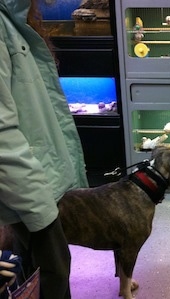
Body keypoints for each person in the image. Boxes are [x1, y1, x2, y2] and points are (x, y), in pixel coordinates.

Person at [0, 0, 88, 298]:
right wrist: (41, 210)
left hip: (36, 191)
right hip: (28, 198)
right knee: (47, 277)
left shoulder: (12, 19)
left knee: (51, 274)